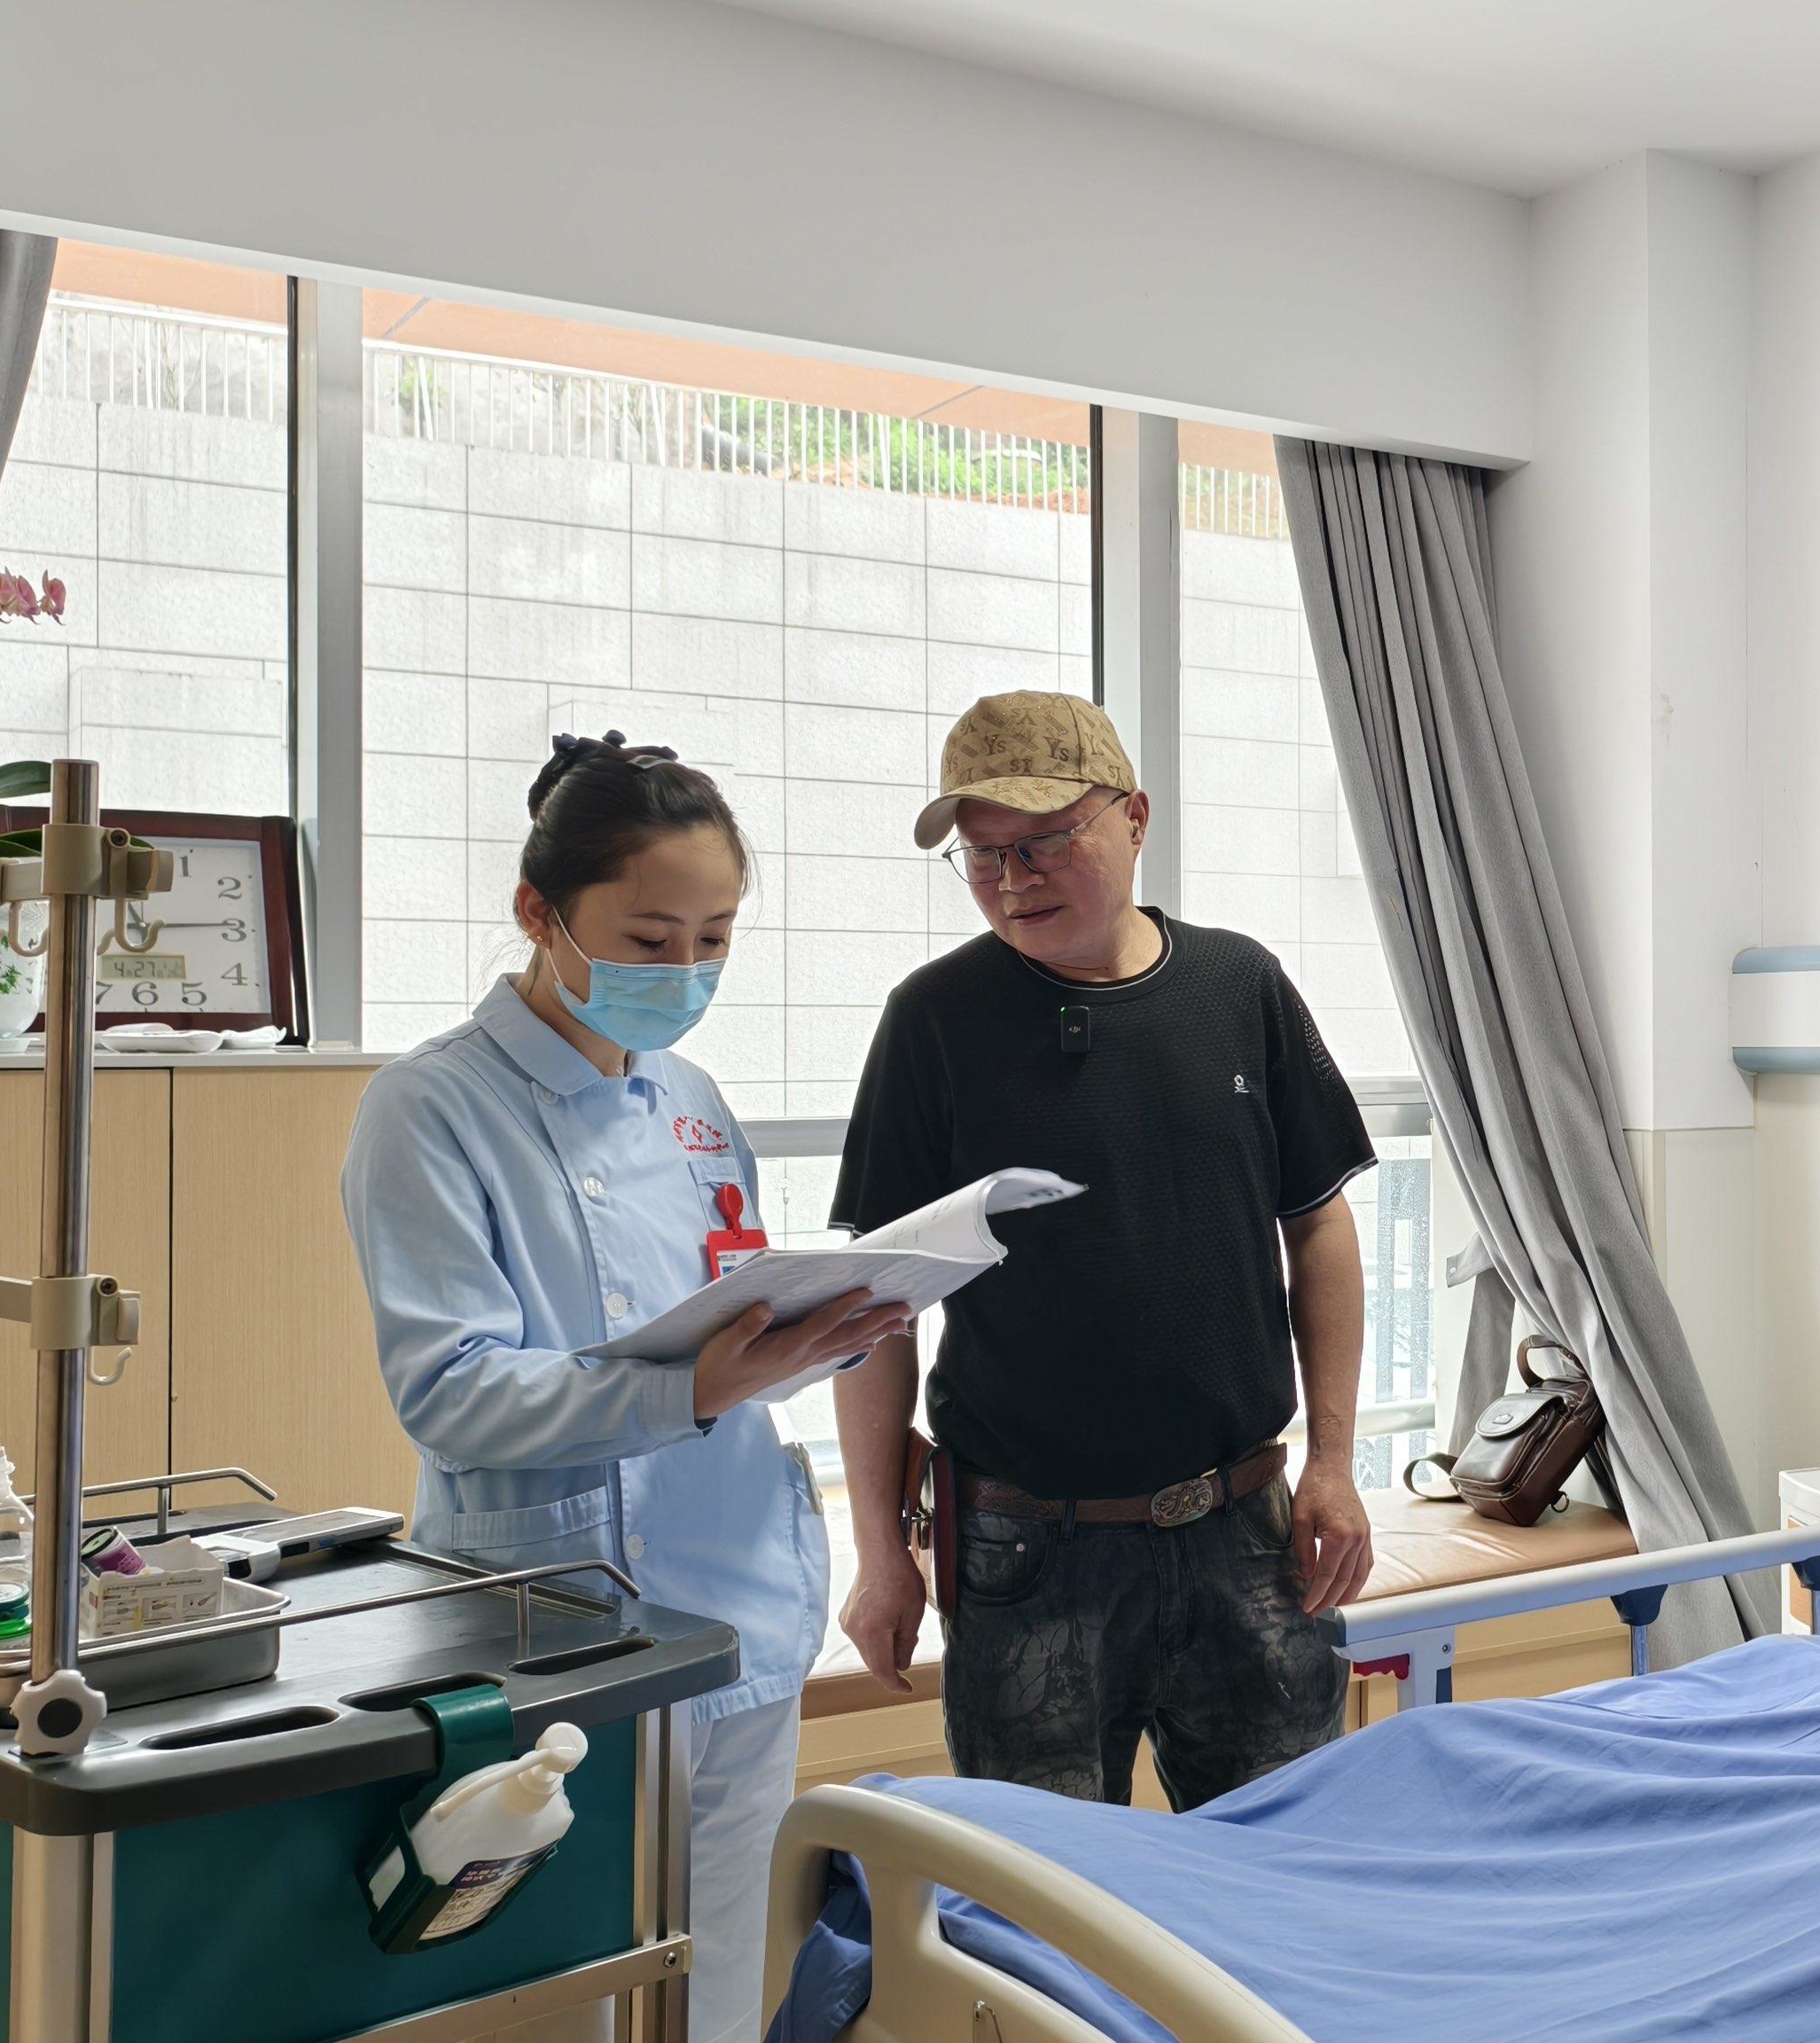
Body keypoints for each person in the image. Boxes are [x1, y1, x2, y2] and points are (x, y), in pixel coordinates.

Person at [340, 732, 909, 2043]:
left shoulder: (693, 1100)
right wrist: (691, 1387)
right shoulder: (430, 1108)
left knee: (723, 1983)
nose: (686, 974)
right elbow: (452, 1391)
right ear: (539, 912)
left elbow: (724, 1299)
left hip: (737, 1603)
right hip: (557, 1623)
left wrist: (819, 1331)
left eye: (715, 941)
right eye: (652, 940)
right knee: (567, 2000)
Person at [829, 689, 1376, 1808]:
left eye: (1043, 841)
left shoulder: (1239, 986)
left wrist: (1332, 1461)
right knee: (1047, 1889)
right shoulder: (934, 1018)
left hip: (1245, 1526)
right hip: (1026, 1552)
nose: (1012, 879)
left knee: (1282, 1854)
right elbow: (876, 1305)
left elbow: (1317, 1220)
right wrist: (881, 1552)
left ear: (1134, 818)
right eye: (983, 857)